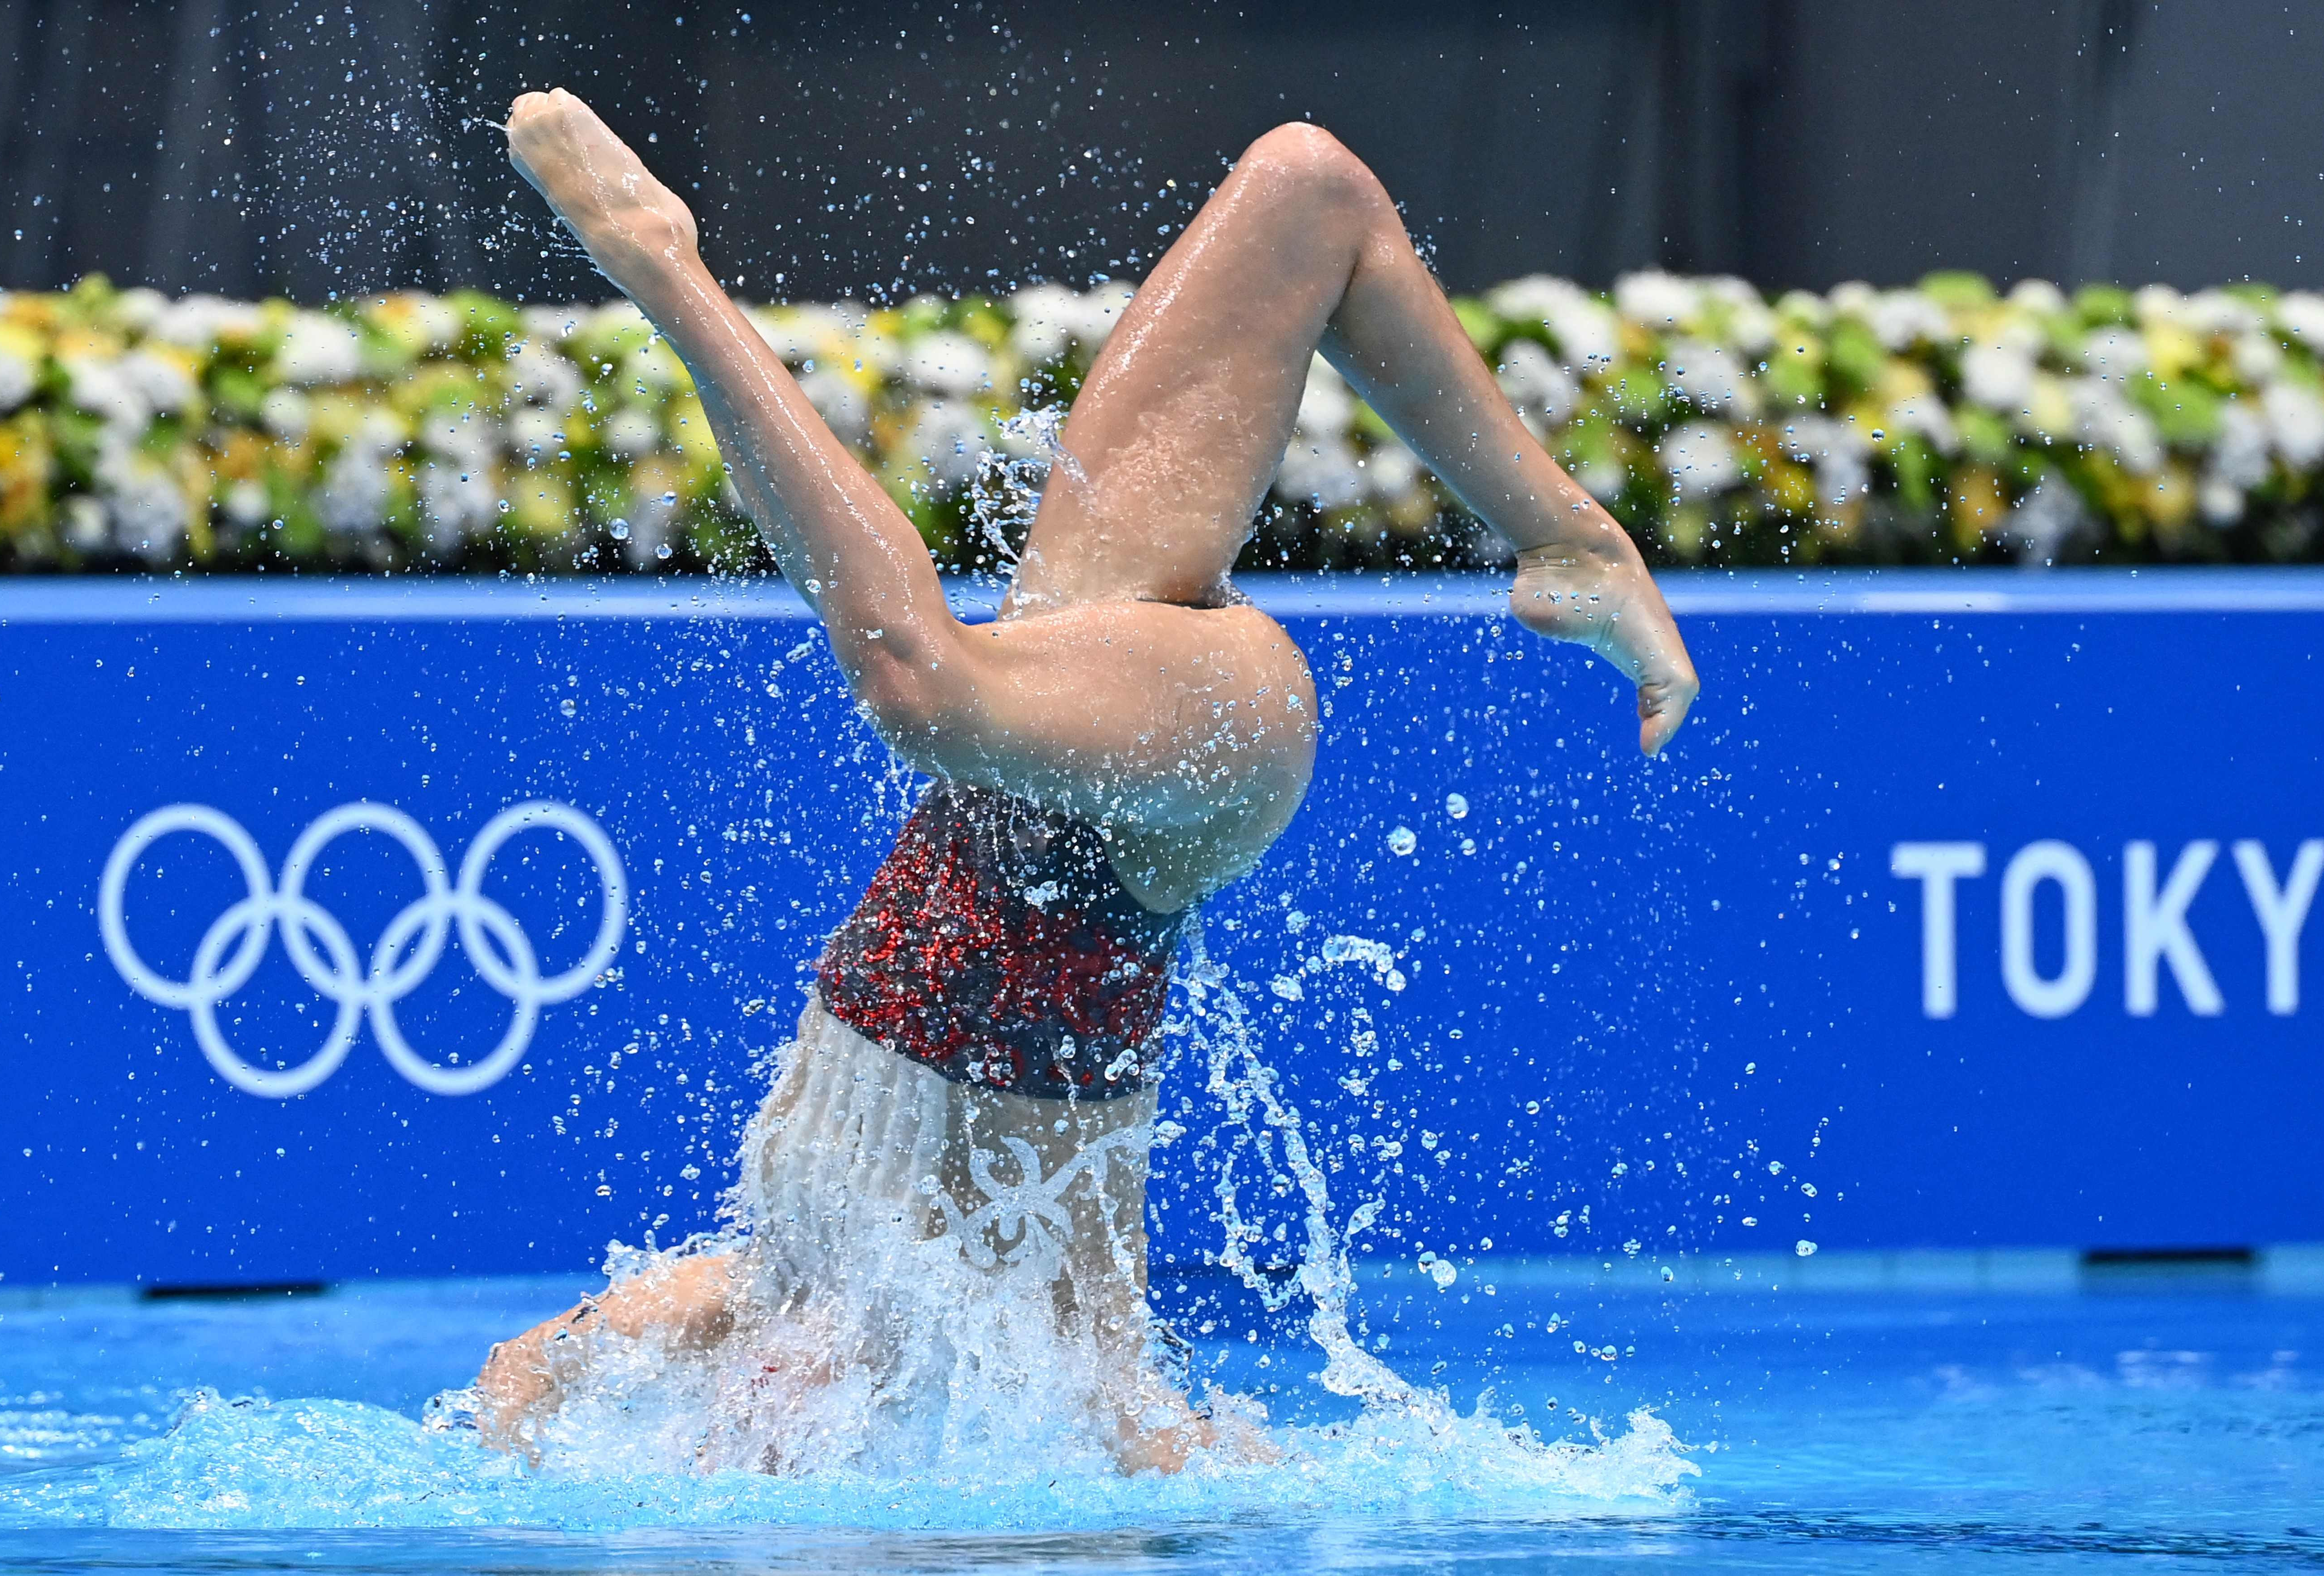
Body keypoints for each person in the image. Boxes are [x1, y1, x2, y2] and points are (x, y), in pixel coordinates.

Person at [474, 89, 1699, 1476]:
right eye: (785, 1425)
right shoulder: (1036, 1356)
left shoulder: (782, 1266)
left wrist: (528, 1396)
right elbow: (1156, 1427)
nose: (771, 1403)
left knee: (1304, 194)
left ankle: (1572, 543)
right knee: (937, 684)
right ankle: (1571, 546)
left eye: (749, 1410)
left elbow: (524, 1367)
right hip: (1183, 789)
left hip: (1062, 724)